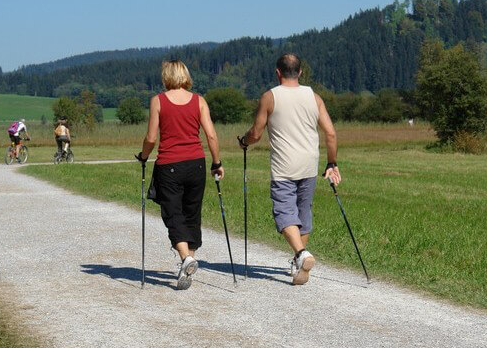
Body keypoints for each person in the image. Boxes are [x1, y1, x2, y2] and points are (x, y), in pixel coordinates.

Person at [239, 53, 341, 285]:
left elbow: (256, 133)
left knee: (284, 213)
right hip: (309, 163)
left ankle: (301, 254)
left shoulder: (270, 97)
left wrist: (243, 141)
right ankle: (299, 263)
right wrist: (331, 163)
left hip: (284, 166)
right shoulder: (314, 97)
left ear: (278, 72)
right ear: (300, 72)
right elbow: (331, 133)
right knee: (303, 213)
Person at [136, 60, 224, 290]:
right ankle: (188, 265)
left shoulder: (158, 101)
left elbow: (151, 138)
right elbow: (212, 136)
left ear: (166, 76)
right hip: (196, 163)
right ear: (185, 75)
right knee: (191, 214)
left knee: (173, 214)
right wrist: (217, 162)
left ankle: (186, 258)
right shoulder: (199, 101)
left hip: (169, 165)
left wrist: (143, 156)